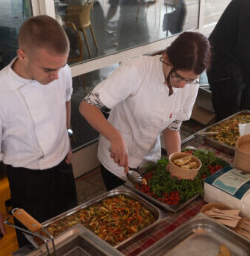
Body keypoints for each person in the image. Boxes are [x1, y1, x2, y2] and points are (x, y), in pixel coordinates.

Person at [0, 15, 77, 249]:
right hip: (28, 180)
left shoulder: (61, 71)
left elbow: (66, 99)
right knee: (37, 246)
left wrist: (67, 137)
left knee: (72, 231)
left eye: (61, 67)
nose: (57, 76)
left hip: (62, 167)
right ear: (22, 55)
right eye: (49, 69)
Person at [79, 31, 210, 190]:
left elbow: (172, 128)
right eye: (179, 77)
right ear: (166, 57)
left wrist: (175, 161)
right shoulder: (136, 70)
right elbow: (87, 106)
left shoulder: (191, 84)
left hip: (149, 160)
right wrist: (115, 137)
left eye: (190, 80)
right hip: (116, 161)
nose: (183, 85)